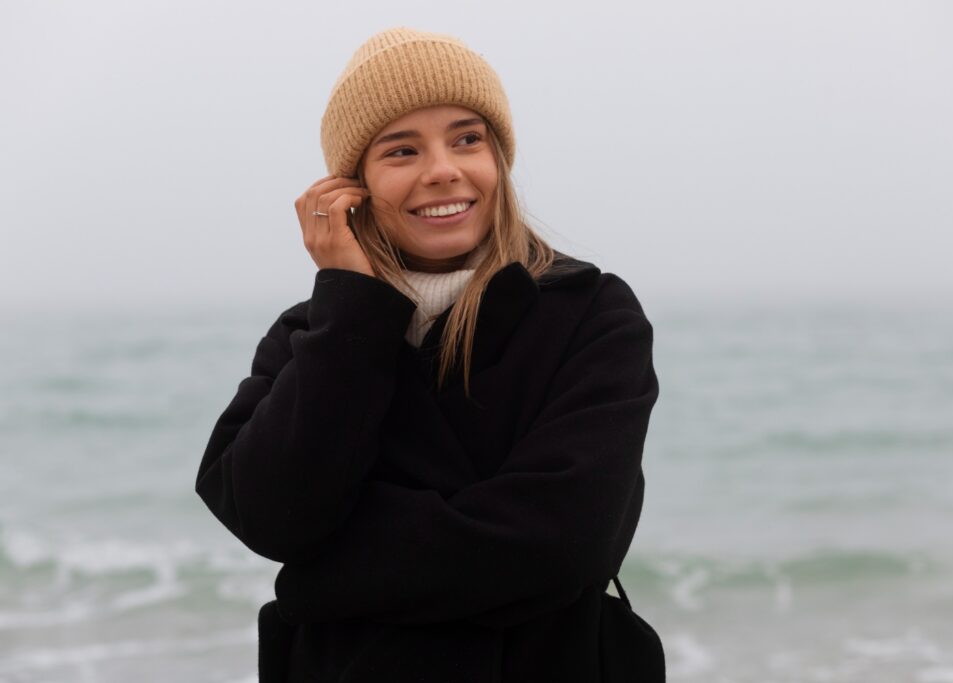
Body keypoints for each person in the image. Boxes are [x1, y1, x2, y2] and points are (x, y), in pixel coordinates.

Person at [196, 26, 665, 682]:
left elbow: (566, 541)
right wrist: (352, 305)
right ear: (351, 185)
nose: (442, 168)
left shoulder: (591, 312)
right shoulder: (315, 334)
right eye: (401, 150)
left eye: (467, 138)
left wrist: (325, 574)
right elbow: (269, 512)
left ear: (498, 156)